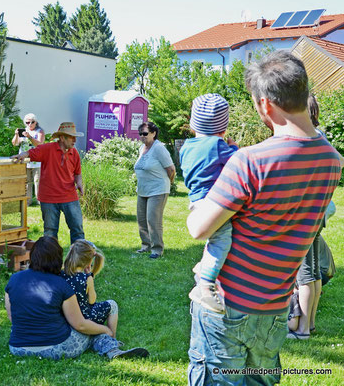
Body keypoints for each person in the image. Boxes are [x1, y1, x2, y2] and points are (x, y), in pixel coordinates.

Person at [186, 51, 342, 385]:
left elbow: (198, 229)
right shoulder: (332, 160)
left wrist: (199, 202)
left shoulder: (250, 161)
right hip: (275, 305)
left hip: (226, 304)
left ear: (265, 105)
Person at [5, 236, 149, 360]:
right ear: (57, 258)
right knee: (89, 332)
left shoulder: (13, 280)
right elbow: (80, 324)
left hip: (18, 347)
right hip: (55, 348)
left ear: (33, 256)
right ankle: (112, 348)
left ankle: (111, 348)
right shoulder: (61, 284)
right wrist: (105, 329)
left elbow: (13, 317)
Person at [179, 93, 238, 314]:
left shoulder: (186, 146)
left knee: (214, 239)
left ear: (193, 124)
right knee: (221, 241)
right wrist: (233, 146)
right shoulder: (217, 145)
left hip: (196, 200)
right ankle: (205, 287)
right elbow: (239, 162)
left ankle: (204, 267)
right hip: (213, 202)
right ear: (222, 128)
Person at [287, 94, 339, 339]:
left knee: (305, 274)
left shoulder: (307, 139)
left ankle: (303, 329)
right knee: (314, 272)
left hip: (304, 216)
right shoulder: (321, 138)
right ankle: (310, 323)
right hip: (315, 213)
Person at [12, 122, 85, 244]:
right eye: (72, 137)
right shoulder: (47, 149)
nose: (75, 140)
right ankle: (50, 261)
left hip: (70, 197)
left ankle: (80, 260)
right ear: (62, 138)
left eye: (75, 137)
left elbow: (77, 172)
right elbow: (30, 153)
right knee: (50, 233)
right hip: (49, 198)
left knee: (77, 230)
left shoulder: (74, 153)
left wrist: (79, 183)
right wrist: (21, 155)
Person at [134, 121, 176, 259]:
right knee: (142, 220)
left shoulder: (159, 148)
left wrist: (167, 184)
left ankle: (157, 249)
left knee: (153, 220)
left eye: (145, 133)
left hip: (158, 190)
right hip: (143, 190)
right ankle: (145, 246)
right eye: (140, 134)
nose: (142, 136)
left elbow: (171, 169)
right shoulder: (142, 148)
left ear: (153, 133)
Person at [61, 239, 119, 338]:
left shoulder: (61, 274)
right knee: (112, 305)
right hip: (86, 319)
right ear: (89, 261)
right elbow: (92, 301)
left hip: (67, 317)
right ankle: (112, 338)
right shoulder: (86, 278)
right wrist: (89, 276)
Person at [11, 113, 45, 206]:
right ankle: (27, 201)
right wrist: (16, 135)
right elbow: (15, 143)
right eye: (27, 122)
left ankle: (40, 201)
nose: (30, 124)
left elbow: (40, 145)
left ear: (36, 122)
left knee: (37, 181)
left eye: (32, 122)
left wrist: (29, 137)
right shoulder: (24, 131)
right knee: (26, 182)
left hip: (37, 161)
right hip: (24, 161)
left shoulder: (39, 131)